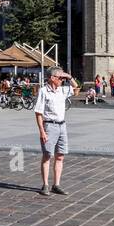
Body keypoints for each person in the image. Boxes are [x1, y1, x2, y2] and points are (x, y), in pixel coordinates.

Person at [34, 67, 77, 197]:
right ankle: (45, 185)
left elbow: (76, 89)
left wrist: (69, 77)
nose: (62, 80)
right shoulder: (43, 91)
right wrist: (42, 131)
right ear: (52, 78)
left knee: (60, 156)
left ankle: (56, 185)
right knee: (47, 155)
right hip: (49, 126)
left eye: (63, 79)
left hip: (62, 126)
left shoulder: (62, 90)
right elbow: (38, 113)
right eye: (60, 78)